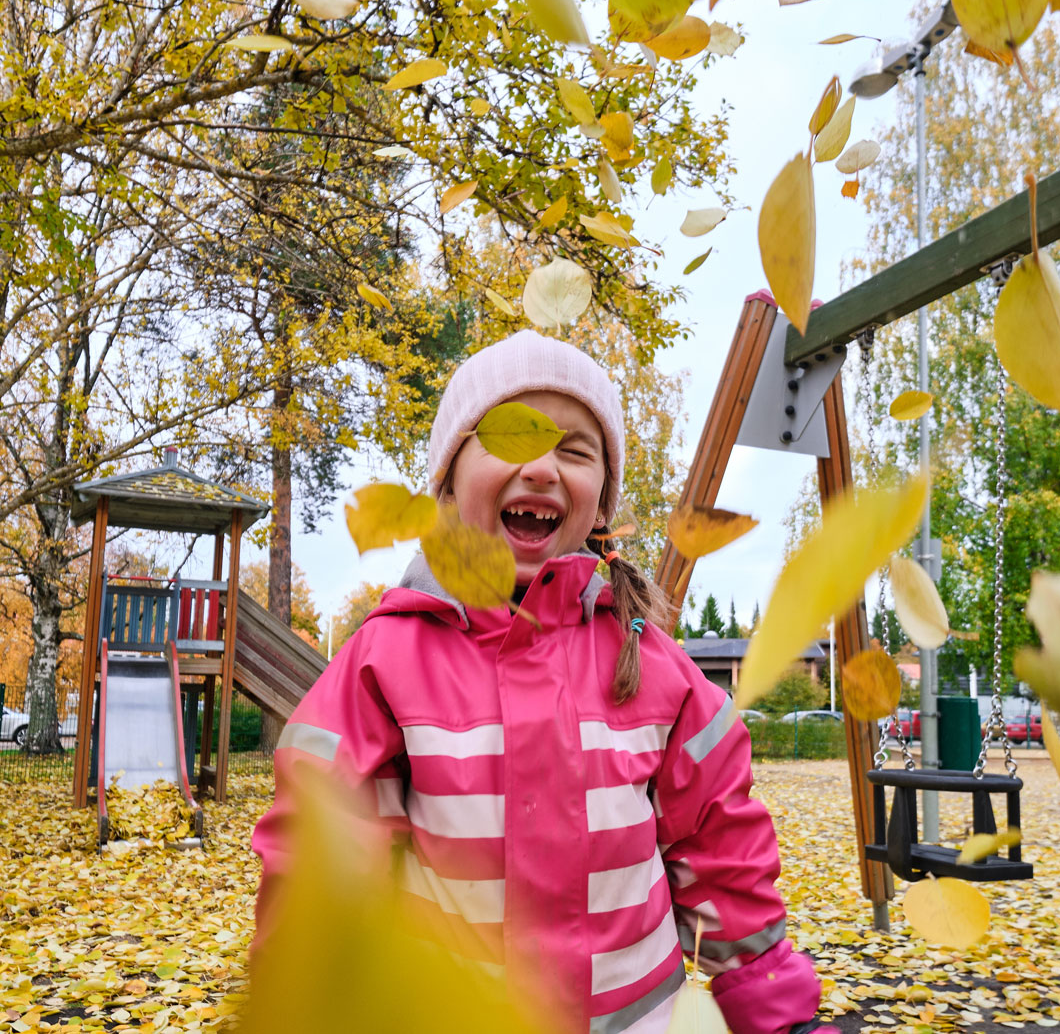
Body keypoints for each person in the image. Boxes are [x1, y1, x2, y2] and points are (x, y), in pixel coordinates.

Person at [251, 331, 828, 1034]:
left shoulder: (647, 662)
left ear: (600, 501)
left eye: (574, 449)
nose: (542, 469)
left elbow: (719, 845)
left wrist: (772, 1003)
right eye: (510, 437)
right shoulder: (388, 659)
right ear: (449, 480)